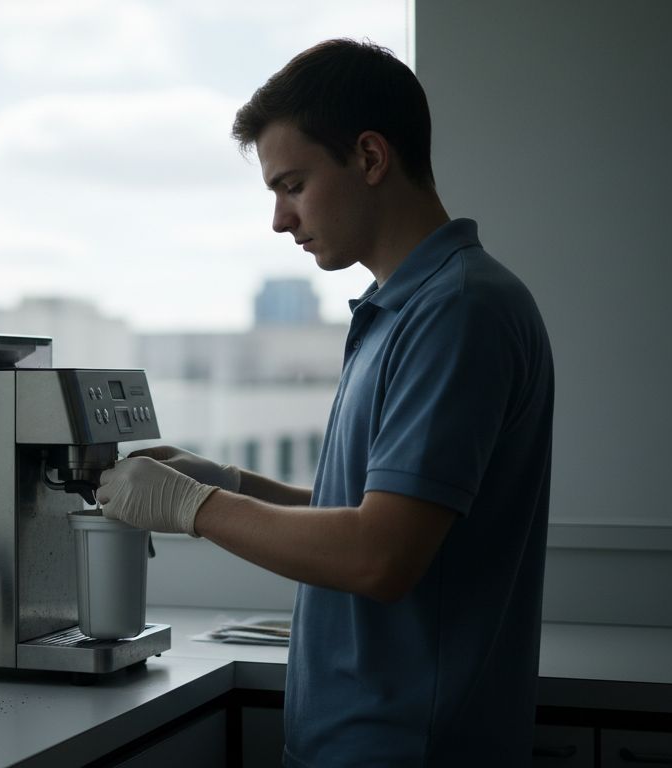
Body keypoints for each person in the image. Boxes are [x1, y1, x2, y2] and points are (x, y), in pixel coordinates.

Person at [96, 39, 555, 766]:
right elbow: (378, 513)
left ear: (370, 158)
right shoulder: (398, 309)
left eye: (294, 185)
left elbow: (381, 557)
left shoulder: (458, 311)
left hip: (406, 748)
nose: (280, 219)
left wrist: (193, 509)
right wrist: (229, 482)